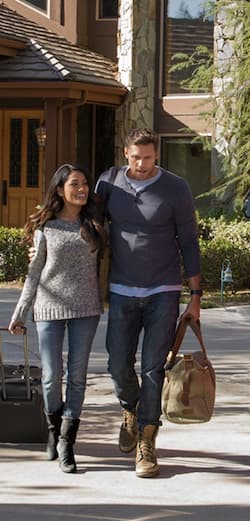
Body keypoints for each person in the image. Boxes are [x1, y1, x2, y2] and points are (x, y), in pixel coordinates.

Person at [95, 128, 202, 478]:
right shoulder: (108, 183)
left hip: (163, 290)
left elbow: (188, 238)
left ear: (157, 155)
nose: (142, 165)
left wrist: (195, 296)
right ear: (125, 153)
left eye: (149, 158)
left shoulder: (176, 188)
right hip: (122, 289)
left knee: (154, 368)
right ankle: (131, 407)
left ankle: (146, 439)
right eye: (136, 157)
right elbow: (87, 224)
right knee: (117, 364)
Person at [9, 164, 107, 474]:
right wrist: (20, 313)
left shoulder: (94, 223)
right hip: (49, 309)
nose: (82, 189)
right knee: (52, 377)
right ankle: (53, 430)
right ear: (60, 189)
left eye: (85, 184)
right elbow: (34, 271)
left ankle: (67, 442)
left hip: (86, 309)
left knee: (77, 378)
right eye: (75, 184)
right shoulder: (46, 227)